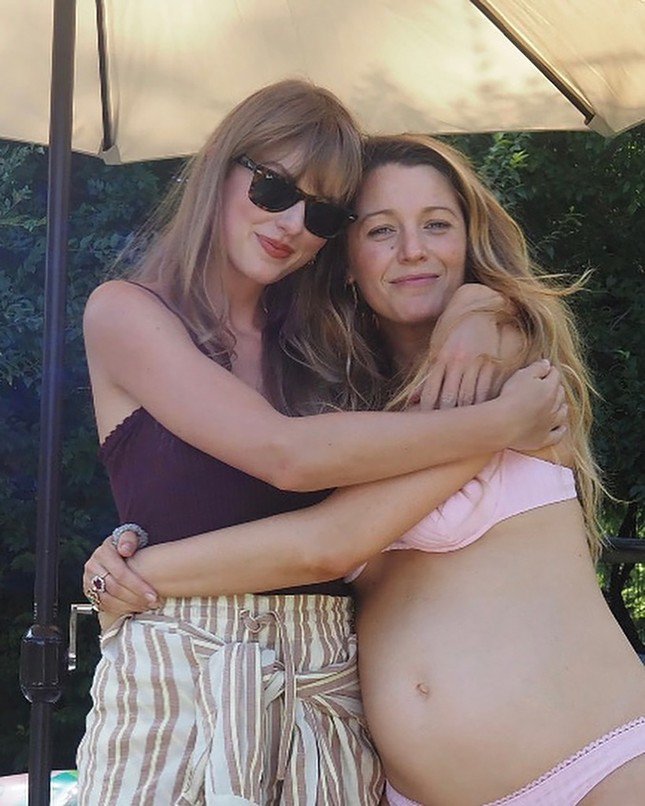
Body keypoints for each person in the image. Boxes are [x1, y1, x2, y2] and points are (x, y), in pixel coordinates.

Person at [87, 133, 645, 804]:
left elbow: (330, 543)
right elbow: (309, 537)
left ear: (468, 241)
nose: (413, 250)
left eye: (436, 225)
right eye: (381, 230)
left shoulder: (503, 356)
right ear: (346, 262)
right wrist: (122, 567)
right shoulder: (343, 413)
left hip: (595, 768)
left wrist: (137, 573)